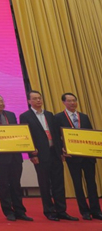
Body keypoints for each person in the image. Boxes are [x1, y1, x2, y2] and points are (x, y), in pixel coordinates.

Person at [19, 90, 78, 221]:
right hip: (40, 155)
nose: (38, 100)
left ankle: (61, 210)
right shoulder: (25, 116)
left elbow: (56, 134)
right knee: (45, 184)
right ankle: (49, 211)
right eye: (35, 98)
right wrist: (31, 154)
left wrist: (61, 151)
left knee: (59, 183)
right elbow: (26, 136)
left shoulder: (49, 114)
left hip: (55, 153)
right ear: (29, 101)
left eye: (39, 98)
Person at [0, 94, 32, 221]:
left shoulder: (11, 115)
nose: (0, 103)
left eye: (1, 101)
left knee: (16, 184)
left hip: (15, 156)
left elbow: (17, 132)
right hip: (0, 157)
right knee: (4, 185)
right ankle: (8, 211)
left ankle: (20, 211)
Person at [53, 92, 102, 220]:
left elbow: (91, 135)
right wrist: (62, 150)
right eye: (69, 101)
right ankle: (84, 211)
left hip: (88, 156)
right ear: (64, 102)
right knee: (77, 184)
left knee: (92, 183)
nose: (72, 103)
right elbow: (56, 137)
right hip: (72, 157)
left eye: (74, 100)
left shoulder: (84, 117)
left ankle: (96, 211)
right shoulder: (58, 117)